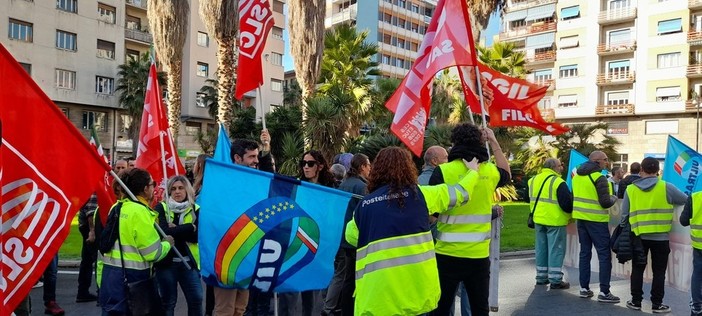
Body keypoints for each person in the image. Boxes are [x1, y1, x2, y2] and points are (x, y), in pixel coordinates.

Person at [345, 146, 480, 315]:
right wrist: (473, 172)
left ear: (376, 170)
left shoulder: (364, 206)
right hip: (415, 296)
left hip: (377, 301)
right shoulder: (421, 195)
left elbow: (351, 236)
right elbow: (460, 193)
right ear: (408, 168)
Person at [429, 123, 511, 316]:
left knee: (439, 308)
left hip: (447, 254)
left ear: (454, 142)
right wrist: (494, 141)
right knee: (479, 308)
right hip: (478, 255)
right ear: (480, 142)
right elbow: (506, 174)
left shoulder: (443, 171)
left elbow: (432, 215)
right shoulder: (489, 171)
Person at [98, 168, 174, 315]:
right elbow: (153, 253)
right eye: (153, 184)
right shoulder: (140, 212)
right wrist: (167, 244)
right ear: (145, 189)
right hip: (134, 279)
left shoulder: (116, 207)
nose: (154, 187)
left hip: (110, 277)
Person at [218, 131, 273, 316]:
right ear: (237, 158)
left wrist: (266, 148)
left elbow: (270, 181)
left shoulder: (254, 180)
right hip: (227, 257)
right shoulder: (225, 181)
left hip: (247, 257)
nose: (255, 161)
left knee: (240, 309)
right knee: (225, 310)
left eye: (257, 156)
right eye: (251, 157)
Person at [621, 157, 686, 313]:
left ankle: (636, 301)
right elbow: (685, 200)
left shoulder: (630, 189)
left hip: (638, 238)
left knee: (637, 269)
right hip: (661, 238)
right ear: (658, 170)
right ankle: (657, 304)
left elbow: (624, 217)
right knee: (659, 272)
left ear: (641, 170)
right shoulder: (666, 187)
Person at [279, 150, 334, 316]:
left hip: (315, 249)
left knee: (310, 298)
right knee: (288, 296)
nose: (306, 167)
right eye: (303, 163)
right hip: (293, 247)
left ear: (320, 166)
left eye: (310, 163)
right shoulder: (296, 187)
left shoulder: (330, 191)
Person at [323, 154, 371, 316]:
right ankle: (332, 308)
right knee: (346, 277)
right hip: (352, 240)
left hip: (339, 236)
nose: (370, 168)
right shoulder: (361, 187)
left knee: (340, 274)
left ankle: (333, 306)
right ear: (362, 166)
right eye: (368, 165)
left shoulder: (345, 184)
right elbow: (365, 214)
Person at [572, 150, 619, 302]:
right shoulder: (599, 177)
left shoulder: (577, 176)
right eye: (605, 159)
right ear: (597, 161)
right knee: (604, 255)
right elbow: (605, 202)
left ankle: (584, 288)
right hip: (596, 220)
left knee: (585, 253)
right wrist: (614, 197)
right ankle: (604, 292)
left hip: (581, 219)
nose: (607, 162)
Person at [154, 175, 203, 316]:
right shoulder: (161, 207)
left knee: (197, 299)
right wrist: (189, 227)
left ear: (187, 190)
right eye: (173, 189)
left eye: (181, 188)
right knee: (168, 303)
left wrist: (176, 230)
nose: (177, 192)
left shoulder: (196, 209)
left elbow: (197, 236)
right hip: (166, 265)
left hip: (189, 264)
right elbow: (165, 232)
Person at [529, 158, 573, 289]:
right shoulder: (558, 182)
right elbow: (566, 204)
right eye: (560, 165)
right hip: (555, 220)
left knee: (541, 249)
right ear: (554, 167)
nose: (562, 168)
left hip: (538, 219)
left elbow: (527, 197)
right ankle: (555, 279)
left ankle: (541, 277)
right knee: (556, 250)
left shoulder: (533, 180)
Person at [681, 189, 702, 316]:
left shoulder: (695, 197)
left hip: (699, 245)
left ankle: (697, 307)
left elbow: (683, 221)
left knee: (698, 275)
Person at [76, 194, 99, 303]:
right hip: (89, 227)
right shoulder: (98, 186)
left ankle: (83, 291)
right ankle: (100, 290)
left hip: (85, 225)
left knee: (87, 259)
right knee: (97, 259)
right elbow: (91, 211)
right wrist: (92, 231)